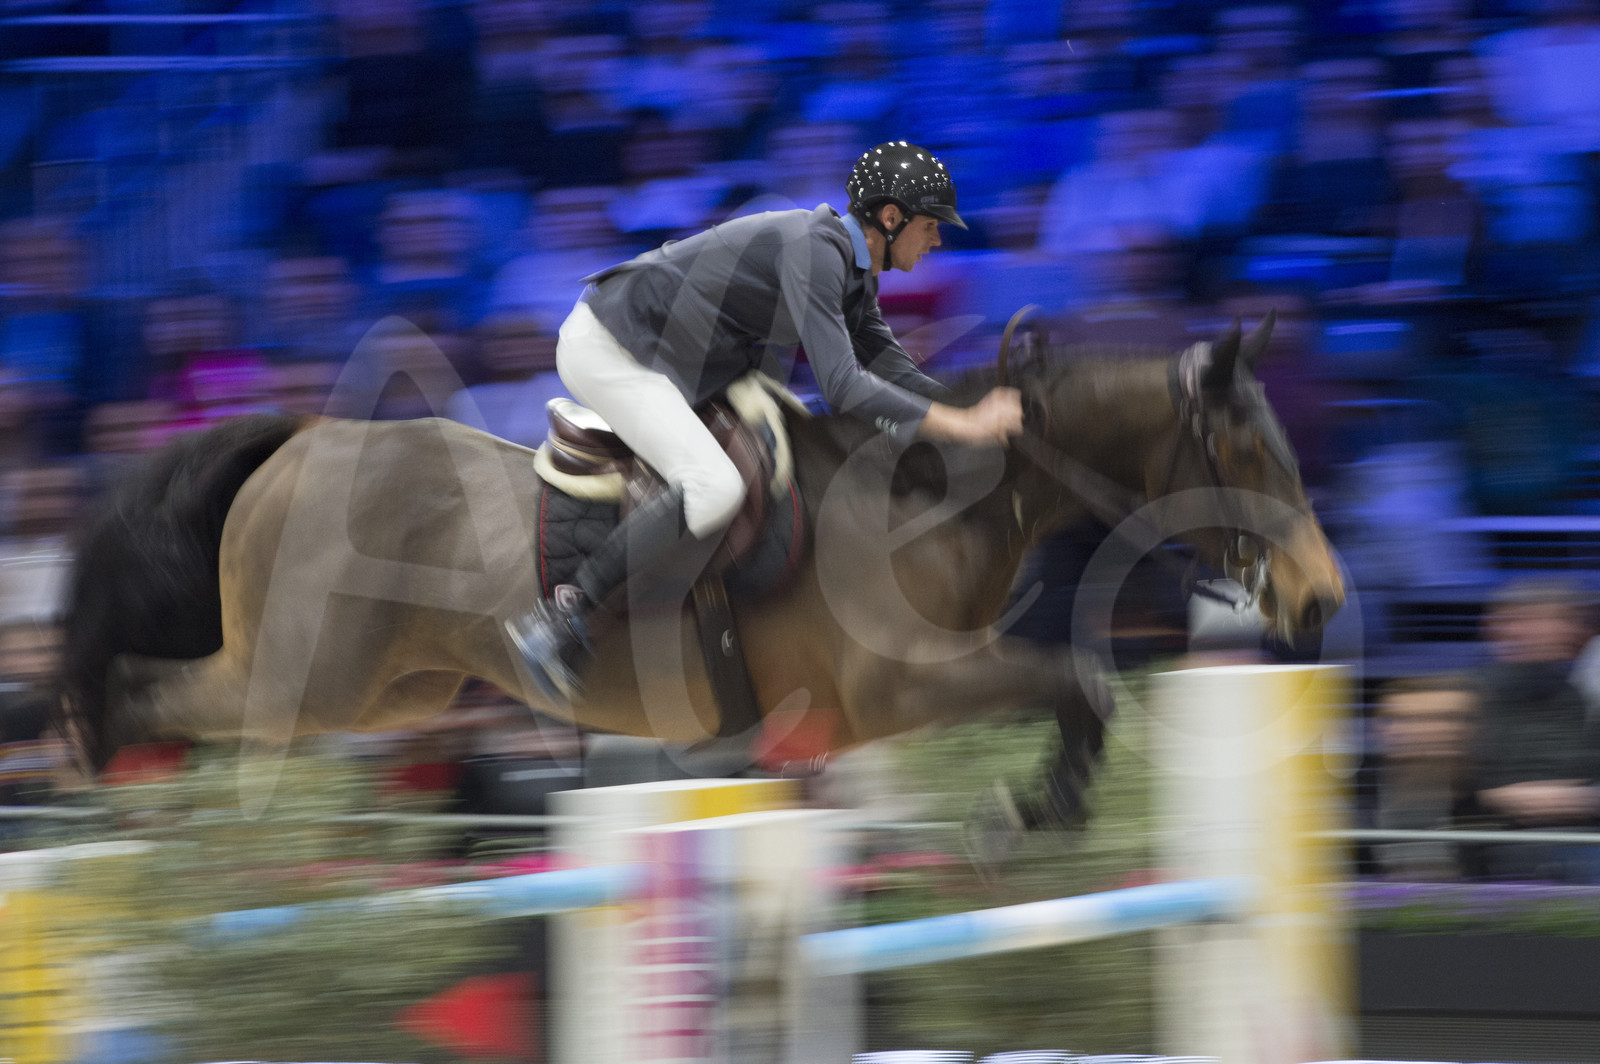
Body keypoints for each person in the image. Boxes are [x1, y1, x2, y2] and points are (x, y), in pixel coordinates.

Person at [506, 141, 1024, 703]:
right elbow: (843, 385)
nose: (937, 241)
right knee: (714, 488)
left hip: (673, 356)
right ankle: (560, 619)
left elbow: (887, 362)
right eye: (930, 226)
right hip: (612, 348)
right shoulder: (817, 252)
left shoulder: (849, 268)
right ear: (892, 218)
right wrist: (961, 425)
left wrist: (968, 413)